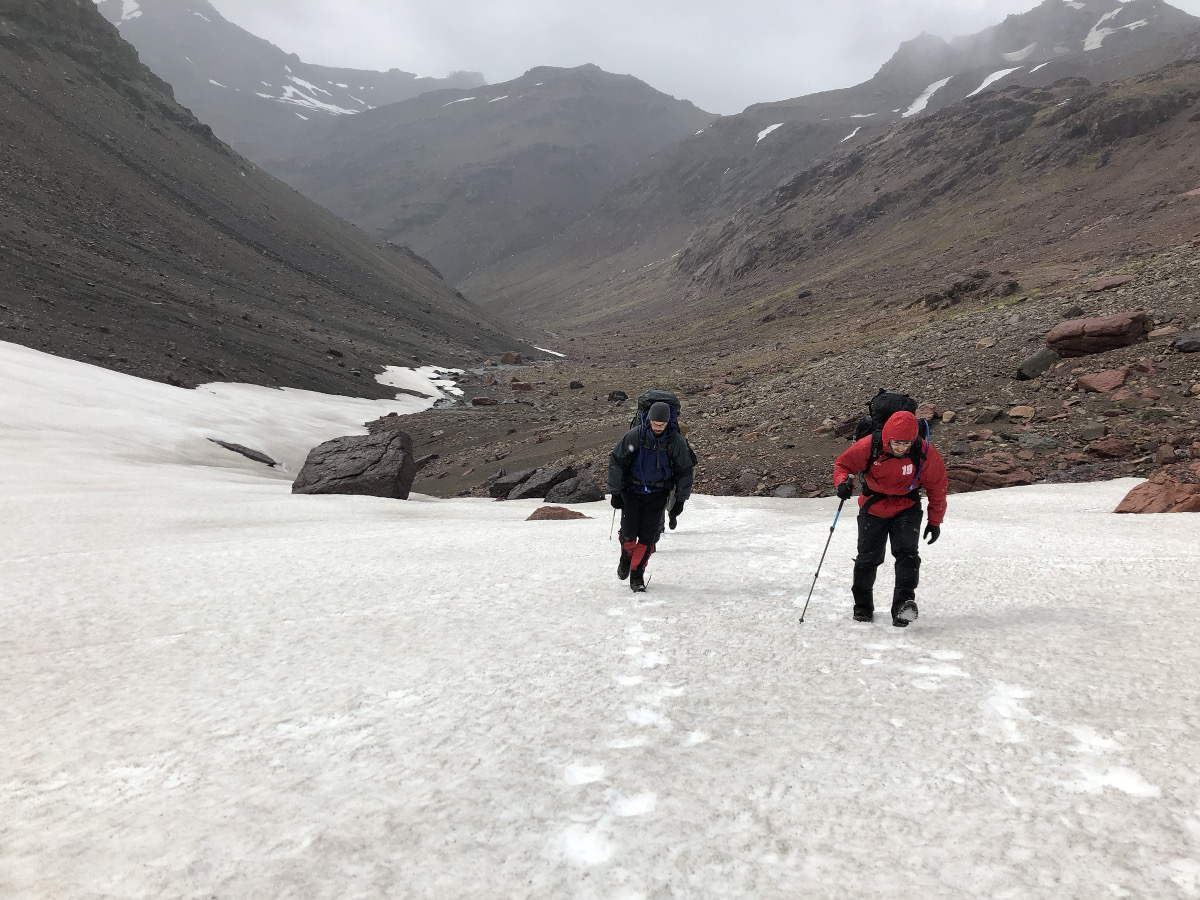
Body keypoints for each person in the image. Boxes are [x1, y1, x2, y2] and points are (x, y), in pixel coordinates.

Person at [832, 410, 947, 627]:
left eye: (906, 444)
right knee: (868, 558)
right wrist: (842, 483)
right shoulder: (869, 446)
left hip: (907, 507)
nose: (901, 448)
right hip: (873, 506)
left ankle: (903, 607)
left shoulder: (923, 451)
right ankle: (862, 607)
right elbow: (843, 466)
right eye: (896, 443)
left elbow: (937, 486)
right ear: (887, 438)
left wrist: (935, 521)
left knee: (908, 557)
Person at [608, 400, 695, 592]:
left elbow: (684, 471)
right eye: (655, 424)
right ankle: (626, 557)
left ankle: (637, 576)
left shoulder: (675, 441)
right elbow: (617, 462)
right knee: (629, 535)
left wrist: (680, 500)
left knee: (648, 538)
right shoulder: (635, 436)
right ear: (648, 419)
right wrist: (615, 492)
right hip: (631, 492)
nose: (657, 428)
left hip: (658, 495)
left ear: (667, 422)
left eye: (661, 425)